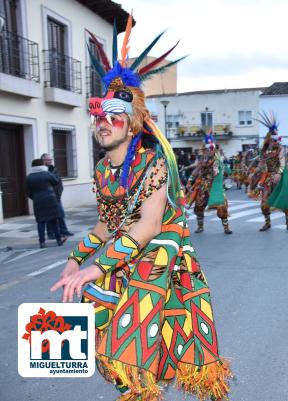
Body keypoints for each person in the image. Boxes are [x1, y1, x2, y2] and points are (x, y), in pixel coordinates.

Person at [49, 15, 231, 400]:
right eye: (99, 116)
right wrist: (73, 260)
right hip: (121, 260)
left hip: (159, 265)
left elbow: (147, 225)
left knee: (150, 351)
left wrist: (95, 267)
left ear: (131, 125)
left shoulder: (154, 163)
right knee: (103, 350)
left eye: (114, 117)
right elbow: (104, 225)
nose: (103, 123)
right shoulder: (101, 170)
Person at [248, 112, 288, 231]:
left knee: (284, 199)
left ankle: (287, 219)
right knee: (264, 202)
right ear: (269, 139)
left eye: (277, 139)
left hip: (279, 177)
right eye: (273, 139)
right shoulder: (264, 151)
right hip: (267, 178)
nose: (275, 141)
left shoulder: (281, 150)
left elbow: (283, 163)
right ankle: (268, 222)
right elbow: (261, 164)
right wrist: (254, 171)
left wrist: (279, 173)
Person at [186, 133, 232, 234]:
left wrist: (220, 171)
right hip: (203, 185)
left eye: (212, 149)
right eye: (208, 149)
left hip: (215, 186)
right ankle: (200, 227)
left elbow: (224, 172)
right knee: (199, 205)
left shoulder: (218, 160)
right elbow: (196, 171)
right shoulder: (202, 160)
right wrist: (190, 181)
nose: (210, 151)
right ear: (205, 150)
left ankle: (226, 228)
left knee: (222, 206)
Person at [26, 159, 65, 248]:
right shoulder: (46, 173)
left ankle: (42, 242)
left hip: (38, 201)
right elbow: (56, 181)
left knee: (41, 222)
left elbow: (27, 192)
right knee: (54, 221)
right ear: (42, 165)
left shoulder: (29, 177)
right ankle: (59, 240)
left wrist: (35, 197)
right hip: (50, 200)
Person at [41, 153, 74, 238]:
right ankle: (51, 233)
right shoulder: (42, 171)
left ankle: (64, 230)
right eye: (48, 159)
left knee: (61, 214)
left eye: (50, 159)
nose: (50, 161)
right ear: (43, 161)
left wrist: (59, 194)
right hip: (47, 197)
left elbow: (59, 182)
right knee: (50, 216)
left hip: (56, 196)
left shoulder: (54, 169)